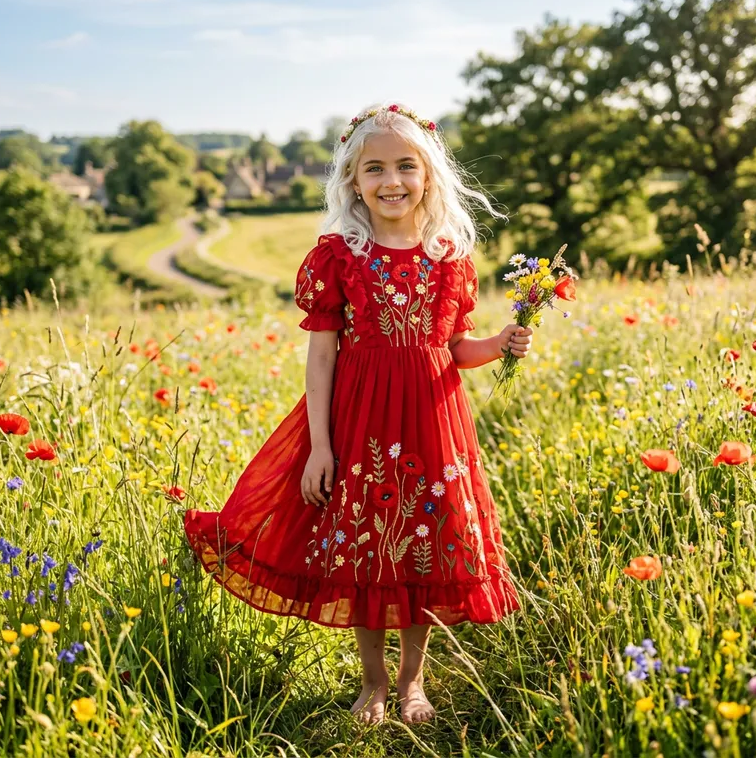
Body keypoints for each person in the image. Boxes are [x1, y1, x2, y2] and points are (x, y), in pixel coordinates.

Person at [184, 102, 534, 726]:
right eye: (375, 168)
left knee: (422, 545)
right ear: (353, 180)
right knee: (367, 549)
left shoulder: (450, 257)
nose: (391, 181)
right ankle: (373, 684)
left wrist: (501, 343)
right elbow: (321, 357)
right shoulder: (340, 257)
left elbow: (455, 347)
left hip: (432, 420)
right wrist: (320, 446)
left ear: (428, 175)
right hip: (361, 423)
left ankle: (412, 683)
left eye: (406, 166)